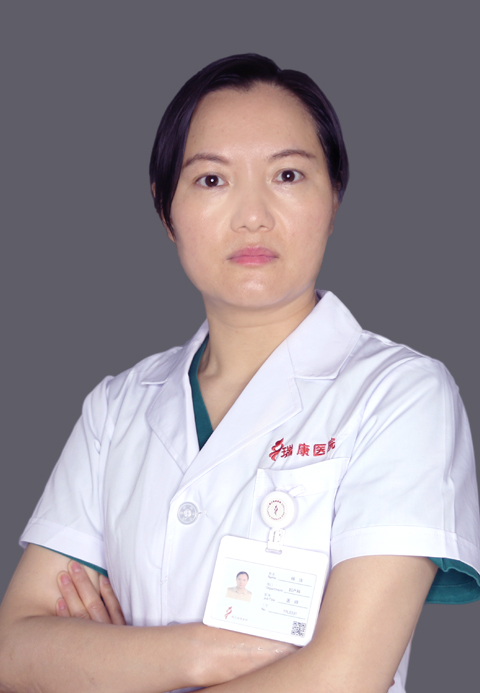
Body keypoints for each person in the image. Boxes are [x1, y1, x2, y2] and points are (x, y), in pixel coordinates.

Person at [0, 52, 479, 693]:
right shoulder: (117, 408)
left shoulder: (400, 395)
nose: (253, 215)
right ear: (165, 211)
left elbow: (345, 676)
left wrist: (108, 665)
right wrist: (198, 653)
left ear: (334, 196)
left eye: (287, 174)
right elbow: (13, 650)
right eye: (211, 180)